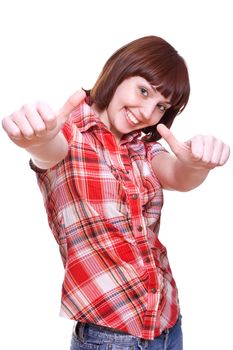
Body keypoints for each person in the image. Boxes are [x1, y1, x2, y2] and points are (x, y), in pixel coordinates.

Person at [2, 36, 230, 350]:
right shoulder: (68, 133)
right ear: (120, 72)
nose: (149, 112)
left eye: (162, 106)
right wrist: (36, 140)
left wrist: (198, 165)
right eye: (144, 90)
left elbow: (179, 175)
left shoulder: (143, 147)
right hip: (110, 338)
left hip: (168, 324)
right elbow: (48, 151)